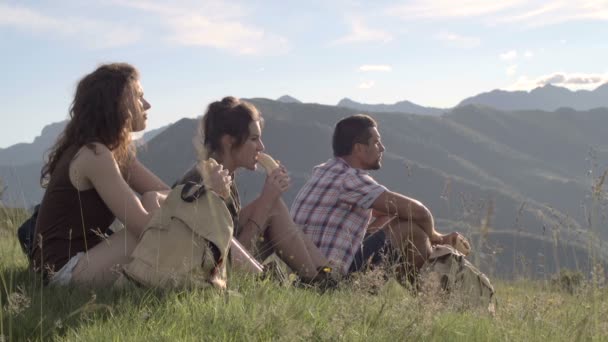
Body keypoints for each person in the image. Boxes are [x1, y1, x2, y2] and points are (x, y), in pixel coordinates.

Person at [31, 63, 206, 287]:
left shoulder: (112, 151)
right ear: (118, 103)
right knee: (161, 230)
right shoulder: (95, 154)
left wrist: (157, 199)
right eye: (139, 96)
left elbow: (171, 196)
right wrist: (158, 201)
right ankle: (213, 277)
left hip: (88, 258)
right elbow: (145, 229)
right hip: (63, 271)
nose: (148, 105)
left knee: (174, 217)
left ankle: (219, 274)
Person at [176, 96, 332, 284]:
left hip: (225, 263)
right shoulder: (206, 182)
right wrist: (266, 200)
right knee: (271, 206)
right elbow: (232, 259)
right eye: (253, 139)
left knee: (276, 207)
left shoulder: (223, 174)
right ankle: (319, 282)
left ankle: (326, 276)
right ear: (229, 141)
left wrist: (269, 200)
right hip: (211, 273)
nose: (261, 147)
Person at [290, 114, 468, 277]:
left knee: (395, 217)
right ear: (359, 148)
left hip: (309, 269)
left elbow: (388, 212)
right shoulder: (351, 179)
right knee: (410, 229)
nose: (382, 148)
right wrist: (437, 237)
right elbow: (420, 212)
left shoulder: (324, 171)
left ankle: (425, 293)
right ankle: (429, 296)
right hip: (331, 275)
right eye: (376, 143)